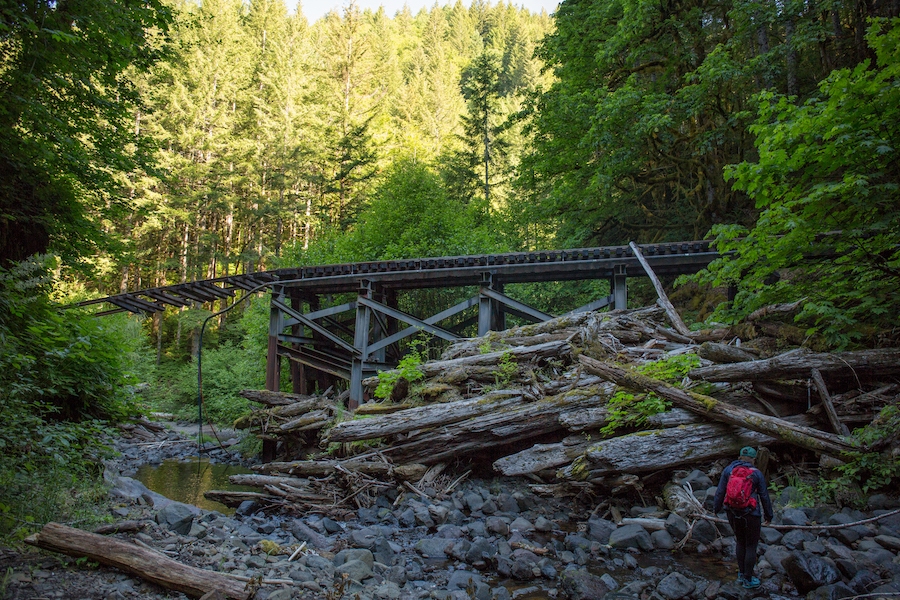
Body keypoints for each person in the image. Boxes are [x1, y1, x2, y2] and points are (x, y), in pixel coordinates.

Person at [712, 446, 774, 589]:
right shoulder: (756, 473)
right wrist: (769, 515)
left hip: (732, 512)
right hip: (751, 514)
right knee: (751, 545)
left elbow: (720, 491)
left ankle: (741, 574)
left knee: (740, 542)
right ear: (753, 459)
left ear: (740, 457)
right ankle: (748, 579)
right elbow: (764, 496)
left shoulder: (728, 470)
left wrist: (716, 509)